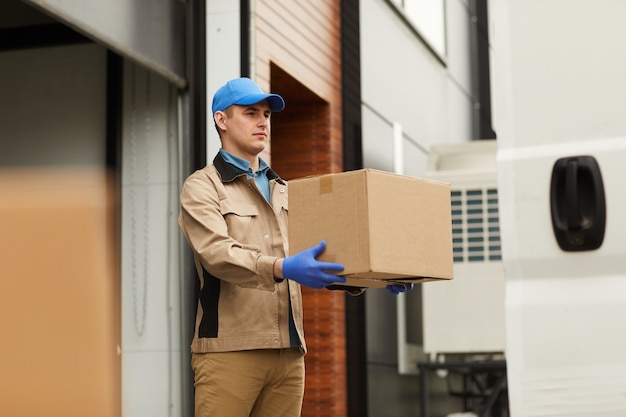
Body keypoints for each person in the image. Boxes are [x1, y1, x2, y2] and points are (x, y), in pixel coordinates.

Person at [178, 77, 412, 417]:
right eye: (250, 113)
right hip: (231, 352)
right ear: (221, 120)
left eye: (267, 115)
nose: (263, 122)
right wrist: (281, 267)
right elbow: (216, 254)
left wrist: (376, 277)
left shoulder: (286, 190)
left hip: (289, 353)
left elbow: (319, 262)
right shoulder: (203, 187)